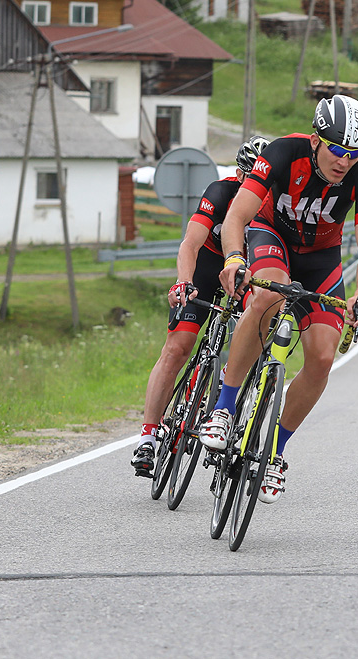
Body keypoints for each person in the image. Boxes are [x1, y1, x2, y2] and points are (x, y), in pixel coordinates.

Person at [197, 95, 358, 502]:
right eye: (336, 149)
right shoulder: (283, 152)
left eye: (353, 154)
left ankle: (275, 454)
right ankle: (224, 410)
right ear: (316, 140)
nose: (344, 162)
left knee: (322, 358)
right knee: (266, 297)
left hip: (321, 259)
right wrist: (232, 259)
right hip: (272, 237)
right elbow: (236, 217)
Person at [131, 136, 270, 476]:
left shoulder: (274, 206)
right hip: (208, 268)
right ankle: (148, 437)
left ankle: (229, 415)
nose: (256, 190)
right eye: (249, 179)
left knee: (254, 343)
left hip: (247, 275)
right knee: (178, 348)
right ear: (239, 174)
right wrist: (183, 281)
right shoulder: (220, 193)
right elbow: (190, 244)